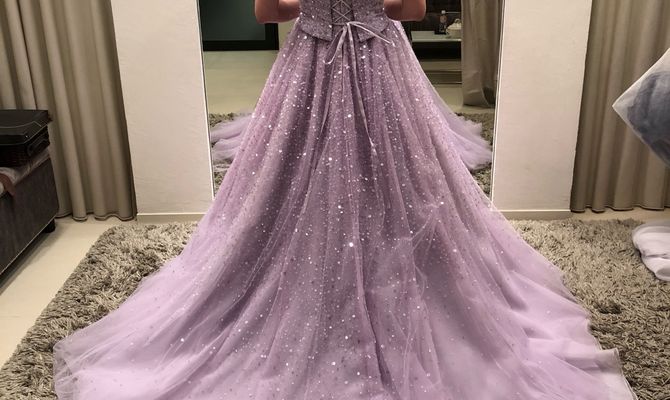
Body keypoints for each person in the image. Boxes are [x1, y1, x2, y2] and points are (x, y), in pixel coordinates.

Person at [52, 0, 638, 399]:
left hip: (310, 57)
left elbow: (267, 11)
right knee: (400, 176)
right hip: (379, 58)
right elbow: (411, 9)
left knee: (286, 179)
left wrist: (315, 7)